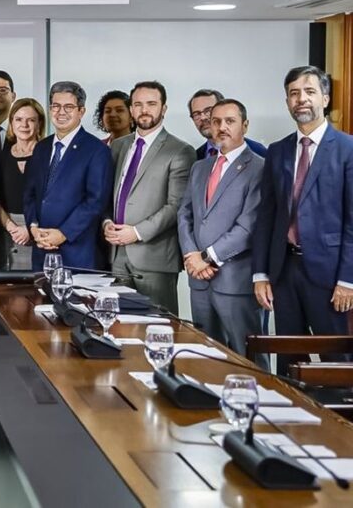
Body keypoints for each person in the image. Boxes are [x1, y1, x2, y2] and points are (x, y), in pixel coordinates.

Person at [254, 66, 353, 374]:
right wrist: (261, 274)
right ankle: (291, 407)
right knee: (288, 360)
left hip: (330, 275)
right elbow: (267, 216)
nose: (301, 99)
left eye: (310, 92)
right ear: (287, 102)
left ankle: (339, 409)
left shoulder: (348, 149)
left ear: (325, 98)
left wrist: (348, 280)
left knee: (336, 362)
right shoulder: (278, 151)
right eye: (294, 93)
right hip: (284, 271)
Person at [178, 99, 267, 368]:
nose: (221, 127)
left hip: (235, 281)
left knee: (248, 360)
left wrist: (206, 258)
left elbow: (249, 226)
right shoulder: (200, 167)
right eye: (216, 121)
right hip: (200, 282)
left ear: (245, 125)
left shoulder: (260, 168)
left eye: (230, 121)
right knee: (206, 360)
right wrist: (191, 255)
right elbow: (184, 215)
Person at [104, 81, 194, 314]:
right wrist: (106, 222)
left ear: (164, 108)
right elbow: (107, 195)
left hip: (154, 256)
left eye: (151, 104)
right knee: (119, 325)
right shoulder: (118, 146)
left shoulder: (180, 150)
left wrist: (136, 232)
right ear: (131, 109)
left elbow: (176, 206)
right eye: (138, 104)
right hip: (117, 254)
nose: (144, 110)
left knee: (158, 324)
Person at [23, 81, 112, 271]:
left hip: (78, 253)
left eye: (68, 107)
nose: (61, 112)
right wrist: (33, 227)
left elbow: (95, 201)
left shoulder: (96, 150)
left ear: (81, 111)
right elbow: (30, 194)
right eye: (56, 106)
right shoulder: (41, 148)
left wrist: (63, 233)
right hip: (41, 250)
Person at [0, 98, 45, 270]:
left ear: (39, 124)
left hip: (41, 230)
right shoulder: (0, 157)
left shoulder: (49, 154)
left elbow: (55, 198)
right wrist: (10, 227)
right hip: (7, 230)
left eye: (31, 120)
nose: (24, 125)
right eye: (18, 119)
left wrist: (30, 228)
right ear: (11, 123)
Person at [189, 89, 267, 159]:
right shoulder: (194, 158)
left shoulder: (258, 152)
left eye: (208, 111)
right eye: (196, 114)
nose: (203, 117)